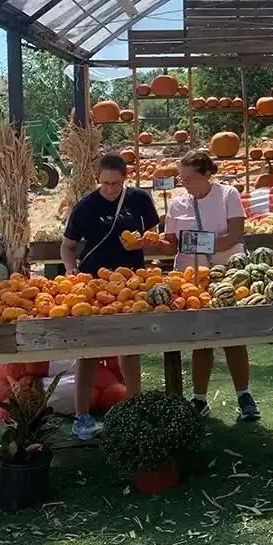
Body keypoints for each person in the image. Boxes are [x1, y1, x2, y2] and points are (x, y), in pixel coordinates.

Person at [60, 152, 160, 440]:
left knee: (130, 345)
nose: (110, 189)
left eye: (116, 183)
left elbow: (155, 234)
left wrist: (144, 242)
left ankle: (135, 406)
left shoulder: (139, 199)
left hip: (132, 281)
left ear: (125, 179)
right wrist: (70, 271)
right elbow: (68, 247)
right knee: (89, 349)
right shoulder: (86, 206)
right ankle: (82, 416)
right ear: (97, 180)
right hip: (94, 284)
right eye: (104, 183)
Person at [162, 150, 260, 422]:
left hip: (227, 273)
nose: (184, 182)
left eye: (190, 177)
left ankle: (244, 395)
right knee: (200, 338)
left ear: (207, 174)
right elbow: (171, 241)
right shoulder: (177, 203)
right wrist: (149, 242)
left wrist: (203, 245)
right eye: (181, 177)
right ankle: (199, 399)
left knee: (233, 334)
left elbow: (235, 234)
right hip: (190, 276)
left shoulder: (228, 195)